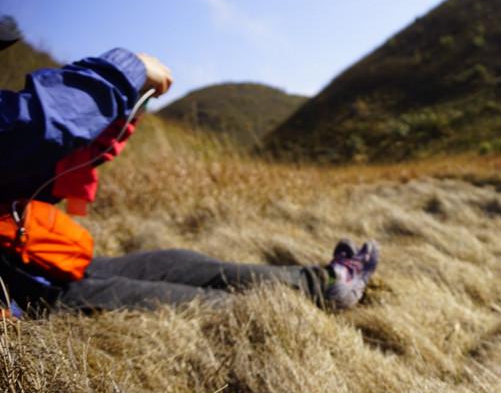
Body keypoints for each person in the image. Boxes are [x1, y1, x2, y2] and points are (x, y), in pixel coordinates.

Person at [0, 17, 378, 317]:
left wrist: (111, 123)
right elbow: (33, 127)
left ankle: (326, 281)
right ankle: (315, 294)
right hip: (28, 294)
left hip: (36, 261)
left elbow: (39, 166)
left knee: (181, 262)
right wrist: (126, 70)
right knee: (212, 305)